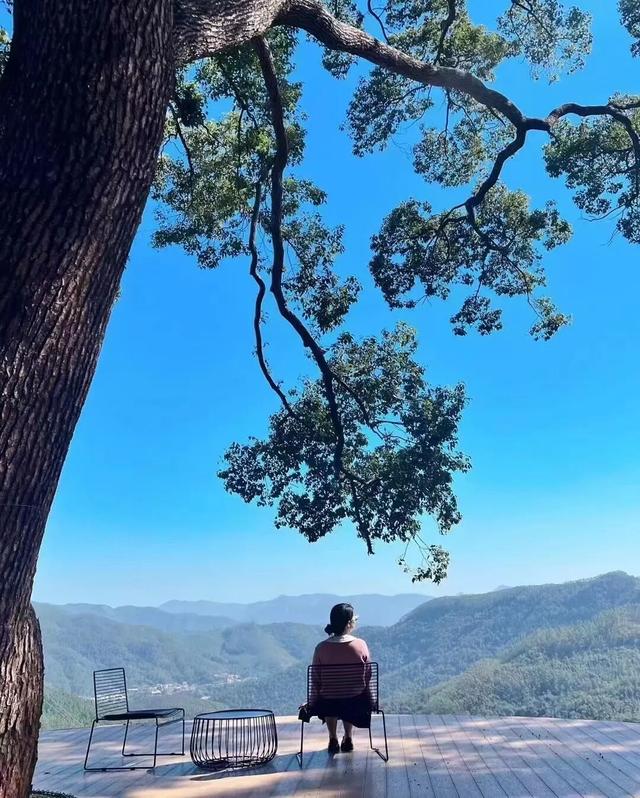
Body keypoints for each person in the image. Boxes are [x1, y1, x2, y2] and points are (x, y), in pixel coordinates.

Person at [307, 602, 373, 755]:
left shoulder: (321, 648)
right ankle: (348, 738)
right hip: (355, 701)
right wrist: (372, 700)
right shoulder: (361, 645)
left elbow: (315, 679)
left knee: (330, 696)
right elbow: (368, 676)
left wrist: (311, 702)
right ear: (349, 623)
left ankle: (333, 738)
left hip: (328, 702)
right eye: (354, 619)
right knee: (348, 694)